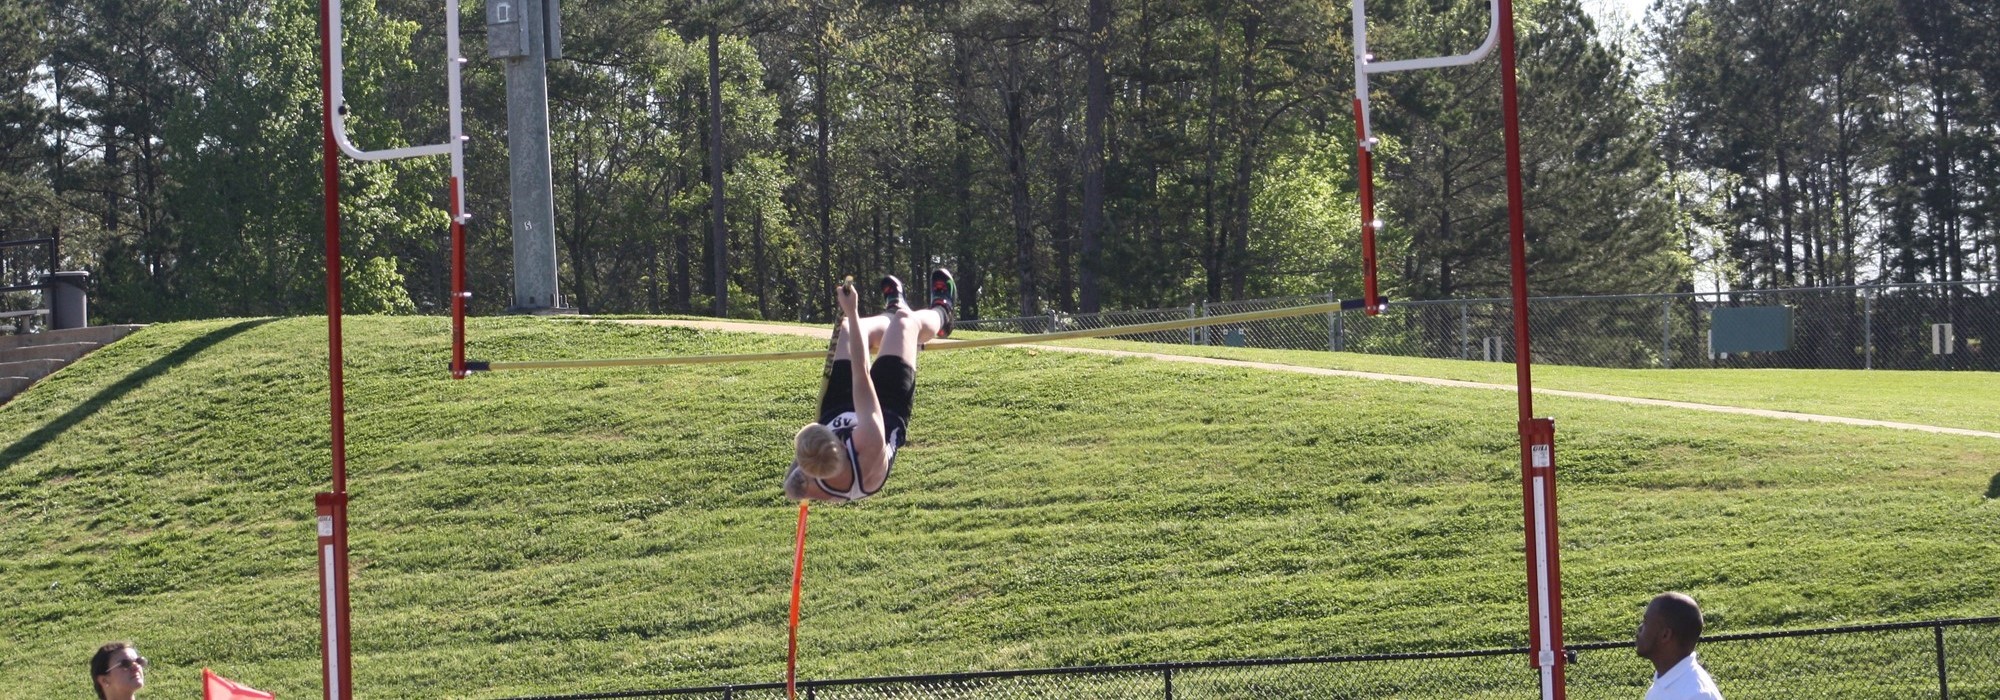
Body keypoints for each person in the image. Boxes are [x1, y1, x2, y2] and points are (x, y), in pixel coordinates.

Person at [785, 269, 955, 503]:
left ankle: (891, 312)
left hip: (836, 407)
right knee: (906, 323)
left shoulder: (808, 481)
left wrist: (796, 475)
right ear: (841, 444)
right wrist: (851, 311)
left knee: (847, 330)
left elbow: (791, 489)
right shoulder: (869, 445)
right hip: (886, 409)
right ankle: (943, 312)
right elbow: (861, 371)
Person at [1636, 592, 1723, 700]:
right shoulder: (1665, 682)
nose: (1639, 629)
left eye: (1645, 622)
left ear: (1665, 635)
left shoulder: (1697, 695)